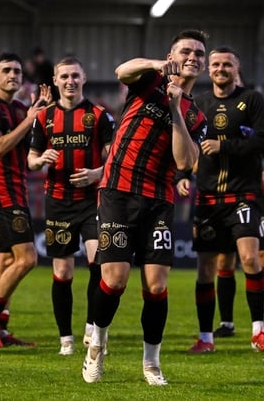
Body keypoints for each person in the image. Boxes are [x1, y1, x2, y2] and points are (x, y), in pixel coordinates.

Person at [82, 30, 207, 386]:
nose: (193, 57)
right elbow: (122, 70)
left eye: (199, 53)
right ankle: (98, 345)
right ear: (172, 54)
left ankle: (151, 364)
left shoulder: (196, 115)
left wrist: (174, 108)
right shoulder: (149, 79)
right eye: (187, 50)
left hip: (158, 199)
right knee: (115, 280)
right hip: (118, 191)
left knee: (155, 286)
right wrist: (157, 64)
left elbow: (185, 161)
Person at [178, 46, 264, 357]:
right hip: (208, 197)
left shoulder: (253, 100)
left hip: (244, 194)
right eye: (217, 64)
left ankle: (259, 332)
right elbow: (184, 139)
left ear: (237, 69)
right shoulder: (199, 102)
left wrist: (224, 145)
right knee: (206, 268)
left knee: (250, 258)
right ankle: (206, 337)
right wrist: (182, 173)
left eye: (228, 65)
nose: (221, 69)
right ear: (209, 69)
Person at [27, 57, 114, 356]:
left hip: (92, 202)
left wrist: (95, 174)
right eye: (64, 76)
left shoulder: (99, 115)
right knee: (63, 273)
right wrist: (41, 161)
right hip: (58, 203)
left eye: (75, 75)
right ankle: (66, 338)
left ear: (84, 77)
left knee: (98, 264)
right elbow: (31, 158)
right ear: (55, 79)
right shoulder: (43, 117)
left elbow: (113, 161)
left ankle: (92, 325)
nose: (70, 81)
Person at [0, 52, 49, 349]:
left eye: (17, 70)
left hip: (18, 190)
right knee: (28, 259)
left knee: (6, 260)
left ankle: (0, 327)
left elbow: (27, 158)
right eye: (6, 70)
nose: (13, 75)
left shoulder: (19, 108)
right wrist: (31, 119)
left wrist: (41, 146)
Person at [210, 136, 264, 340]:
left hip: (254, 196)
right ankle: (226, 323)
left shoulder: (256, 119)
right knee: (224, 259)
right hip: (224, 196)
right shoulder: (214, 117)